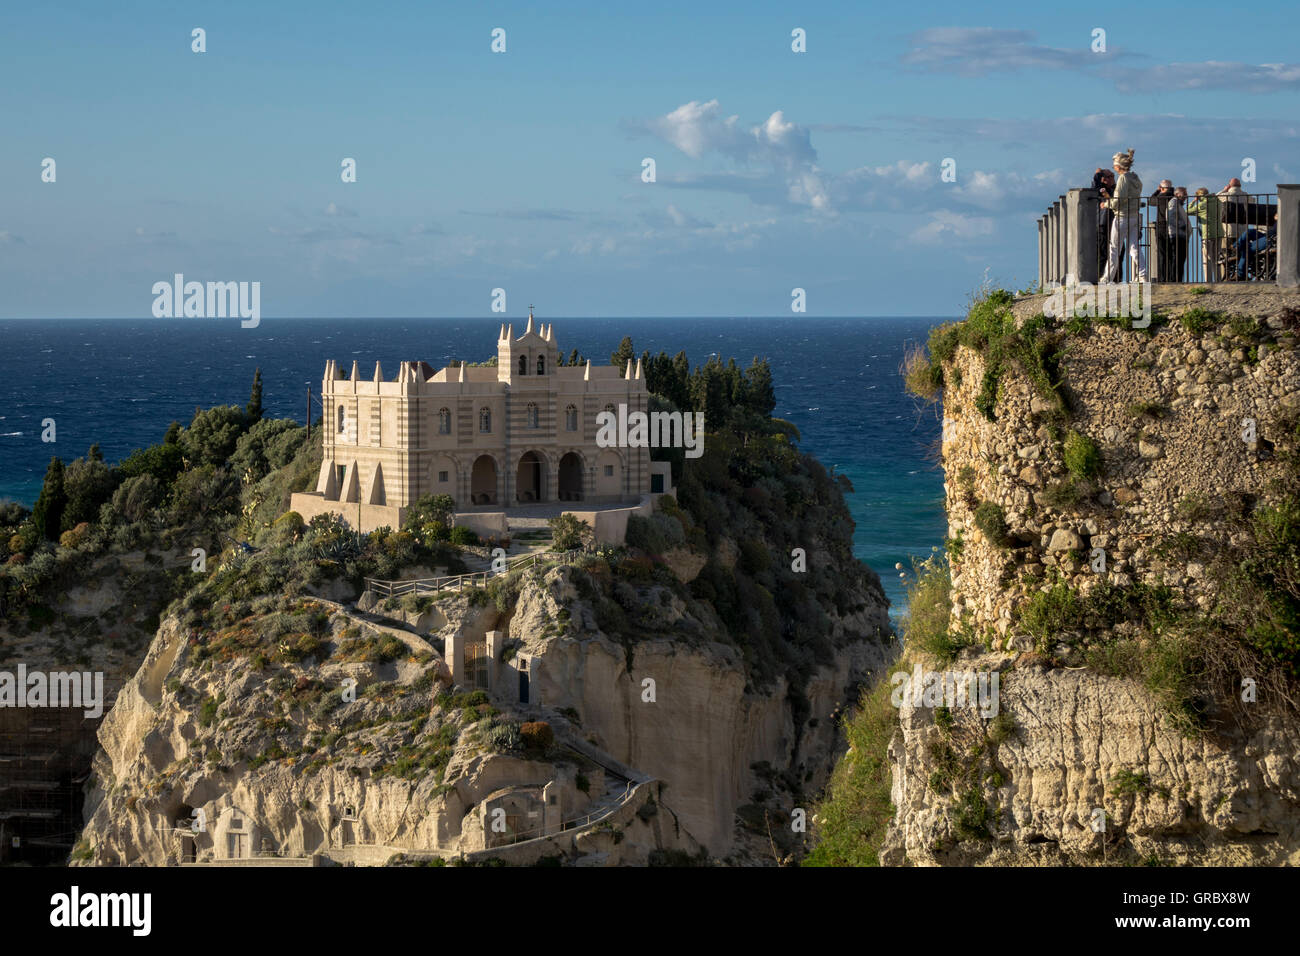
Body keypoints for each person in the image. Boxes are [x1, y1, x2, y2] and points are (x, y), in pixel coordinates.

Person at [1102, 149, 1147, 283]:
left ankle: (1107, 277)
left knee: (1114, 248)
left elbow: (1118, 200)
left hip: (1122, 216)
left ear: (1118, 166)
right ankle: (1143, 275)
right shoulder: (1135, 177)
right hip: (1135, 215)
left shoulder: (1123, 178)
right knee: (1134, 247)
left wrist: (1106, 204)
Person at [1187, 187, 1223, 281]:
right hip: (1219, 232)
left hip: (1207, 234)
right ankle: (1218, 279)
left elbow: (1187, 211)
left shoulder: (1202, 205)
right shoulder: (1218, 202)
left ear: (1199, 196)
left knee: (1207, 259)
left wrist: (1193, 201)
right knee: (1217, 258)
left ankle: (1208, 280)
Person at [1235, 212, 1277, 280]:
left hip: (1271, 239)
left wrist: (1279, 217)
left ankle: (1240, 274)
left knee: (1247, 248)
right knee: (1249, 232)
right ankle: (1236, 247)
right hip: (1266, 235)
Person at [1093, 167, 1119, 276]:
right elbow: (1095, 186)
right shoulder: (1099, 189)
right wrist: (1098, 174)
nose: (1113, 178)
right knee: (1103, 253)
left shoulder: (1115, 189)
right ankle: (1101, 277)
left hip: (1115, 223)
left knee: (1118, 253)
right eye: (1110, 176)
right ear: (1103, 179)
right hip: (1103, 224)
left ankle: (1116, 278)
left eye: (1113, 176)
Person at [1149, 179, 1174, 280]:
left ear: (1162, 188)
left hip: (1162, 225)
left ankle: (1162, 277)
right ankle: (1172, 277)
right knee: (1171, 253)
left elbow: (1150, 201)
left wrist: (1157, 191)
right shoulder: (1174, 197)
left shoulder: (1161, 197)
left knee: (1162, 252)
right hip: (1172, 226)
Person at [1166, 187, 1191, 282]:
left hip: (1181, 235)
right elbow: (1170, 216)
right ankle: (1175, 280)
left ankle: (1178, 279)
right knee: (1178, 258)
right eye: (1184, 194)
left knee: (1180, 259)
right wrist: (1182, 225)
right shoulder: (1174, 202)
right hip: (1177, 235)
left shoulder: (1178, 204)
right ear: (1177, 194)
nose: (1186, 196)